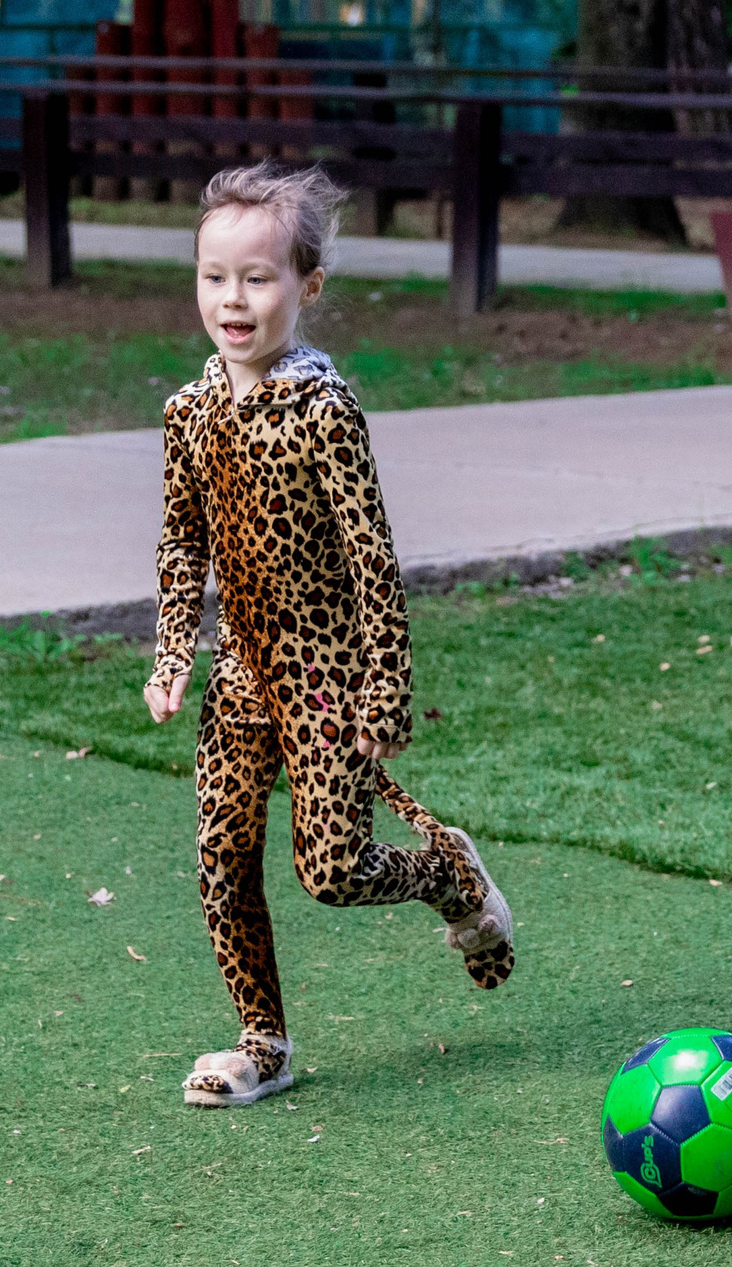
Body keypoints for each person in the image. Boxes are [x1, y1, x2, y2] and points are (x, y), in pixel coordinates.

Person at [144, 164, 514, 1107]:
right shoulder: (186, 414)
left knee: (332, 872)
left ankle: (449, 875)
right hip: (239, 678)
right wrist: (174, 650)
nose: (234, 298)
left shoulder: (324, 412)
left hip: (326, 679)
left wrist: (383, 686)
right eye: (214, 276)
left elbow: (373, 561)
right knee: (219, 862)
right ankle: (262, 1042)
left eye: (258, 278)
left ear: (307, 287)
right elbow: (183, 542)